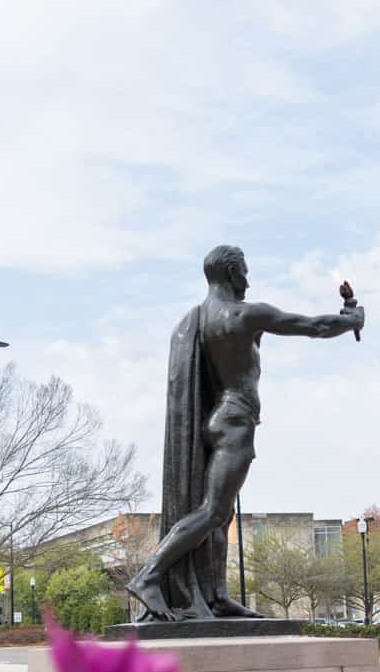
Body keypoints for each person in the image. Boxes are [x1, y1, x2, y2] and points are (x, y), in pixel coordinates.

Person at [128, 245, 363, 623]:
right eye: (245, 273)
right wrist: (352, 319)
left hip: (215, 419)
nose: (248, 281)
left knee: (222, 518)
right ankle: (149, 575)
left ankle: (216, 596)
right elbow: (314, 327)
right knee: (213, 510)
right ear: (232, 273)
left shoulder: (199, 321)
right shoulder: (245, 314)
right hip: (236, 419)